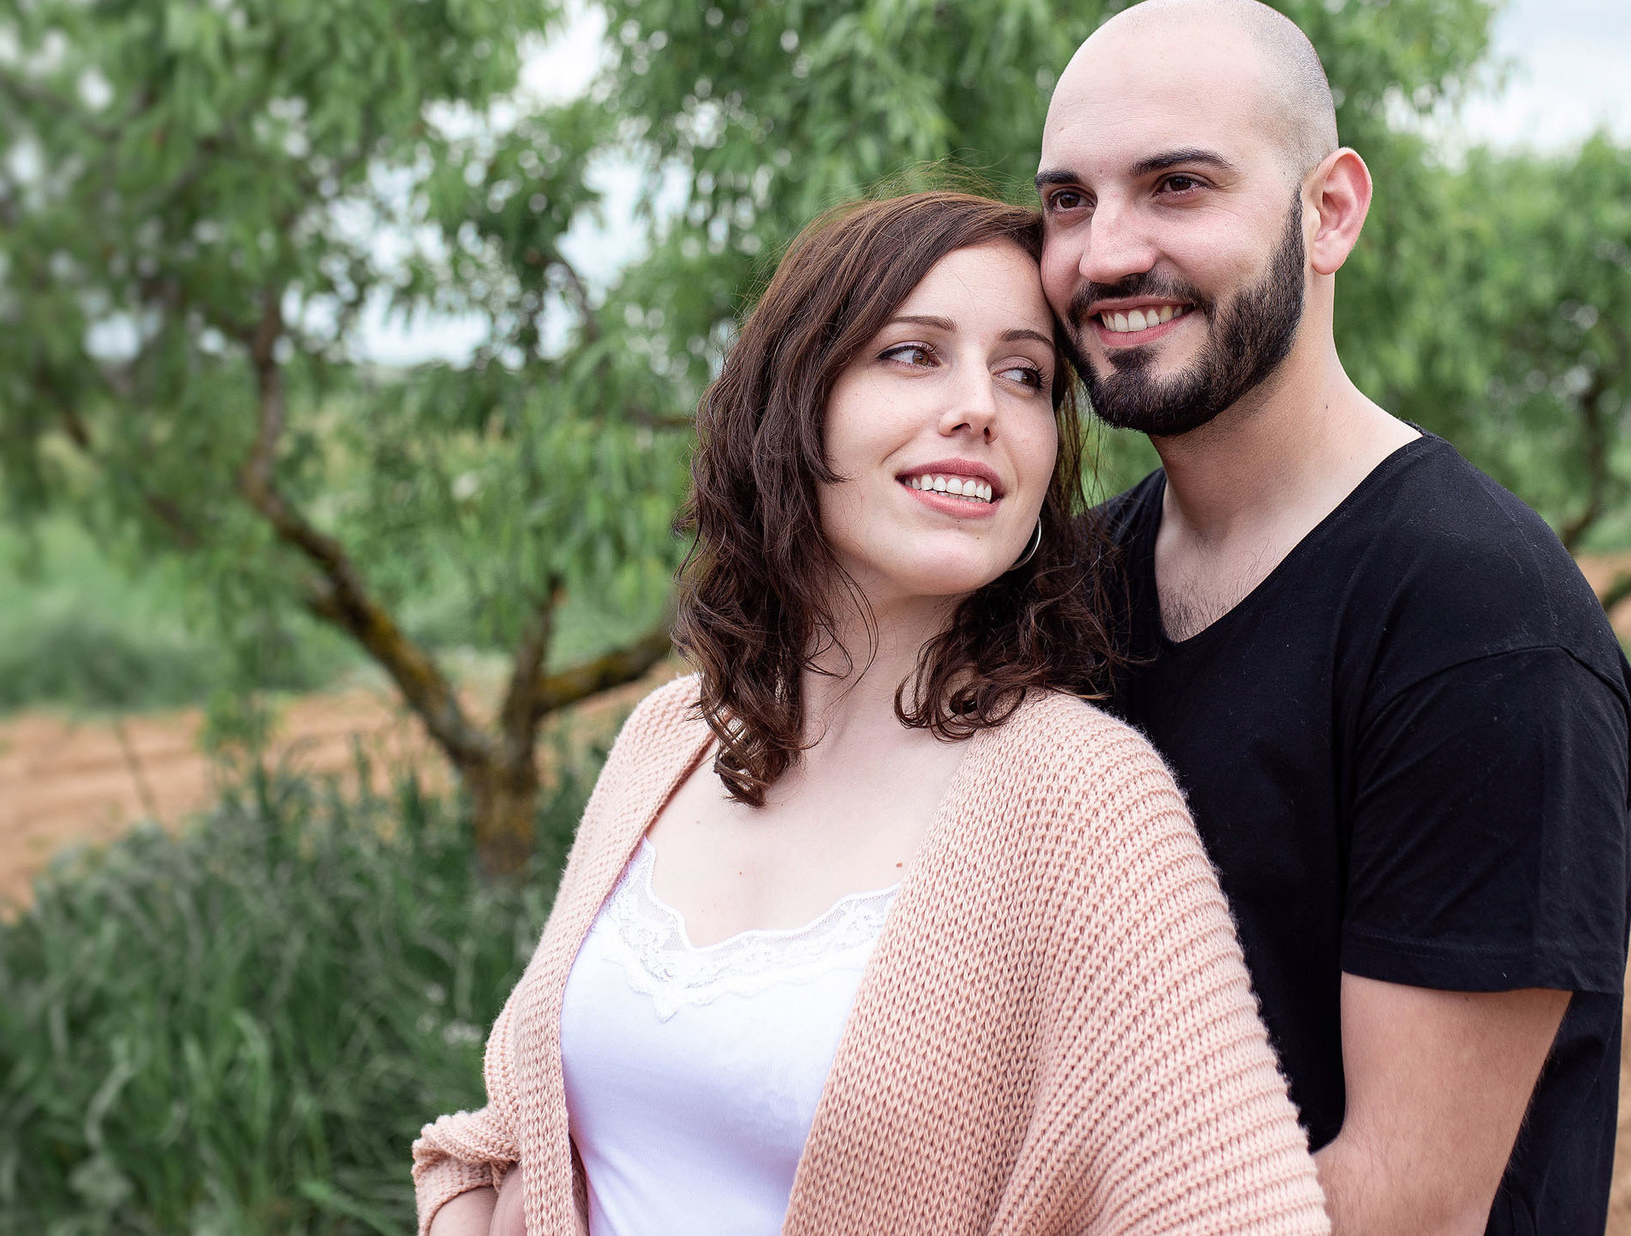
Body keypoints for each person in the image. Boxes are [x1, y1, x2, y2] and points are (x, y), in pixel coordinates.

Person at [413, 190, 1329, 1236]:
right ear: (792, 401)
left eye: (1025, 375)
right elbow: (508, 1136)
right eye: (913, 354)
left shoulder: (1083, 802)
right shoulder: (671, 739)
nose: (980, 407)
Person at [1035, 0, 1631, 1236]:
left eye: (1177, 185)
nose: (1103, 254)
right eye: (1067, 201)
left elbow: (1402, 1205)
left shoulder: (1477, 623)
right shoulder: (1070, 591)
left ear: (1329, 212)